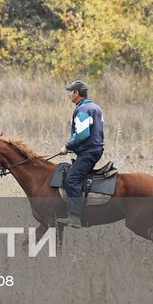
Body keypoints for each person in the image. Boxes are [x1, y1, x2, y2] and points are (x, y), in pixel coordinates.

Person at [58, 80, 104, 228]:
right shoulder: (95, 107)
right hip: (94, 149)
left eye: (71, 92)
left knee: (71, 179)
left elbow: (82, 134)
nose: (69, 95)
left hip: (88, 152)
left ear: (77, 93)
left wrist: (67, 146)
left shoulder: (83, 110)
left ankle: (75, 218)